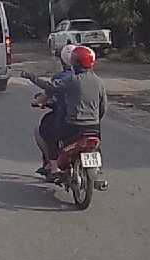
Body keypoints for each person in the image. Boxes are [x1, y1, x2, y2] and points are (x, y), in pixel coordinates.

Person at [21, 46, 107, 185]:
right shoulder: (99, 82)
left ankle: (54, 168)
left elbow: (50, 87)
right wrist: (94, 120)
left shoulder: (73, 80)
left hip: (73, 126)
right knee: (95, 146)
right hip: (94, 127)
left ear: (75, 62)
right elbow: (103, 108)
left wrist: (31, 77)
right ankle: (96, 170)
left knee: (51, 135)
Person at [32, 44, 80, 175]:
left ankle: (52, 165)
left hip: (66, 120)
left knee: (46, 131)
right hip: (90, 123)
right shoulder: (92, 79)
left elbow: (50, 91)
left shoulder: (61, 78)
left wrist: (39, 100)